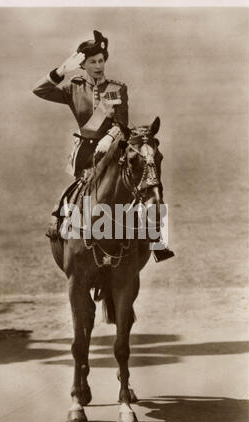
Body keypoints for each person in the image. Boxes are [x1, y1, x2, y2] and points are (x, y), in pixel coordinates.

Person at [33, 30, 174, 262]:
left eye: (101, 60)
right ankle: (62, 235)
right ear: (83, 65)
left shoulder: (116, 88)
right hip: (86, 156)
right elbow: (39, 90)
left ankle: (158, 242)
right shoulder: (73, 87)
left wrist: (109, 137)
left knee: (143, 189)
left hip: (114, 151)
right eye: (92, 62)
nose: (99, 66)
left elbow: (121, 120)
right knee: (71, 199)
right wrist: (61, 71)